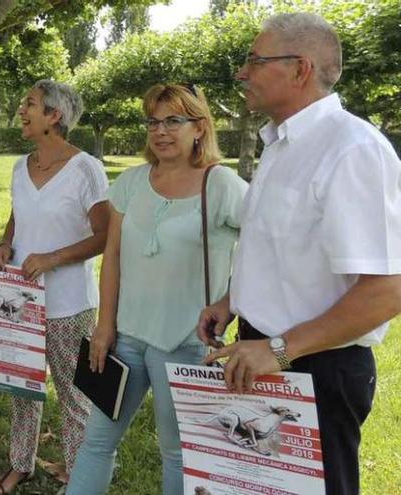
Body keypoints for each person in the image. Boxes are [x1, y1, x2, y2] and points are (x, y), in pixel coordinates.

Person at [198, 13, 401, 495]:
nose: (242, 73)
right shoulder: (283, 144)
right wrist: (232, 302)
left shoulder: (351, 150)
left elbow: (387, 289)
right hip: (263, 350)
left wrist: (278, 348)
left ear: (300, 69)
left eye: (254, 61)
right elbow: (279, 246)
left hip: (316, 364)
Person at [67, 84, 248, 495]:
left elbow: (267, 250)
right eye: (153, 121)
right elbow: (111, 256)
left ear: (199, 127)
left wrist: (230, 300)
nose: (160, 131)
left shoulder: (222, 185)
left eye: (172, 121)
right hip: (125, 339)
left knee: (179, 452)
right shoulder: (131, 182)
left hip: (185, 343)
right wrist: (103, 326)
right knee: (95, 442)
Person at [0, 79, 110, 494]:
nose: (21, 110)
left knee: (75, 396)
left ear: (54, 116)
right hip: (21, 302)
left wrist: (52, 259)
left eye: (30, 103)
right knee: (22, 386)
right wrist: (6, 243)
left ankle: (79, 476)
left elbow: (105, 236)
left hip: (69, 304)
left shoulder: (86, 169)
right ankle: (21, 463)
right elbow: (18, 216)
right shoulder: (20, 167)